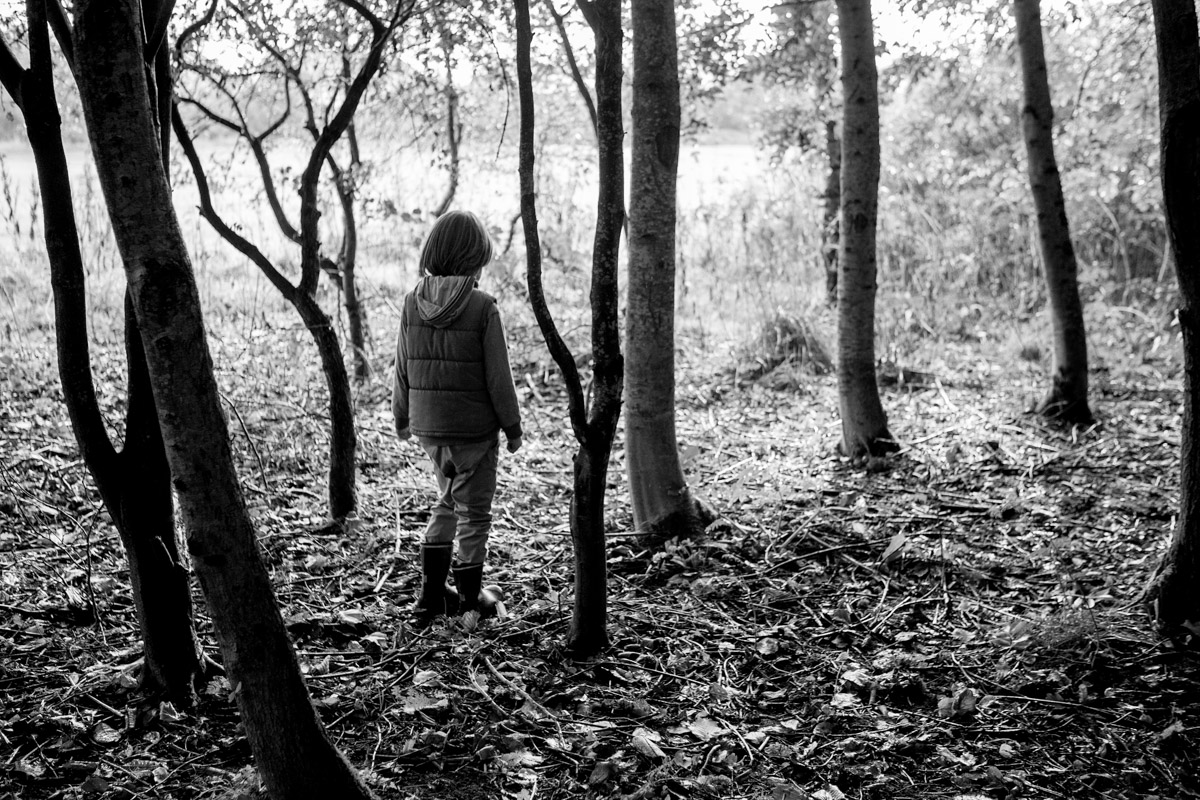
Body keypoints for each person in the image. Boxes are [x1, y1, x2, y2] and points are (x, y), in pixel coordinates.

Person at [392, 210, 523, 627]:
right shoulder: (483, 307)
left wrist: (402, 417)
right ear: (473, 260)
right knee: (475, 513)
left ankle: (431, 596)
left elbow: (402, 366)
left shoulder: (413, 301)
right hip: (474, 431)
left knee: (447, 500)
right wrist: (512, 425)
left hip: (430, 428)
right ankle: (469, 600)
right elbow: (498, 376)